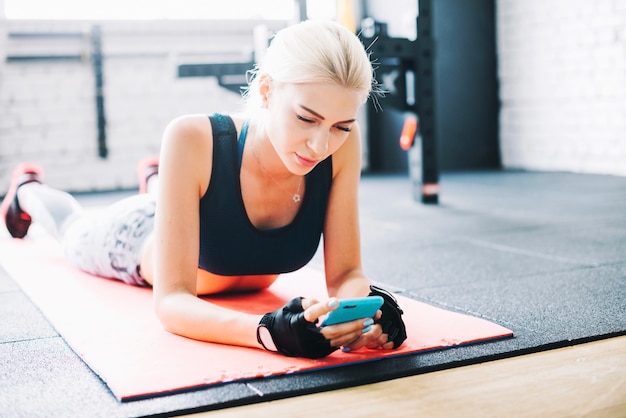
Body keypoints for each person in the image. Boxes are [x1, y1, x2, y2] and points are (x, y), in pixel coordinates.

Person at [1, 20, 406, 359]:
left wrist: (365, 316)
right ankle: (28, 190)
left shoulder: (341, 148)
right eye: (305, 118)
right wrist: (267, 332)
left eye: (341, 126)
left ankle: (161, 182)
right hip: (134, 236)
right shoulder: (189, 135)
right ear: (266, 91)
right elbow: (172, 302)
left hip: (188, 206)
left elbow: (347, 274)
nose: (321, 146)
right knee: (71, 228)